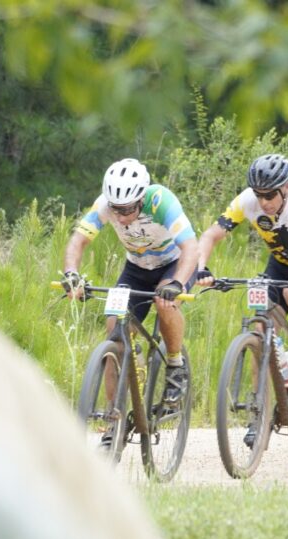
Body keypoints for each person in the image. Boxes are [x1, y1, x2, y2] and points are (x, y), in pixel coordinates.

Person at [195, 153, 288, 447]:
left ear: (286, 188)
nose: (263, 202)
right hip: (279, 263)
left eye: (270, 195)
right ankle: (260, 412)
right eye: (259, 195)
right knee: (261, 329)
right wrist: (201, 269)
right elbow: (211, 236)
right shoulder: (246, 202)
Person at [61, 158, 199, 448]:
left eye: (127, 210)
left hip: (173, 265)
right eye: (116, 210)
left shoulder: (162, 201)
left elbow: (191, 247)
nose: (121, 218)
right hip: (136, 269)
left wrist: (176, 283)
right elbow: (77, 241)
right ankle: (115, 419)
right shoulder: (105, 204)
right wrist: (72, 275)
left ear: (141, 198)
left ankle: (175, 364)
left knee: (165, 303)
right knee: (115, 332)